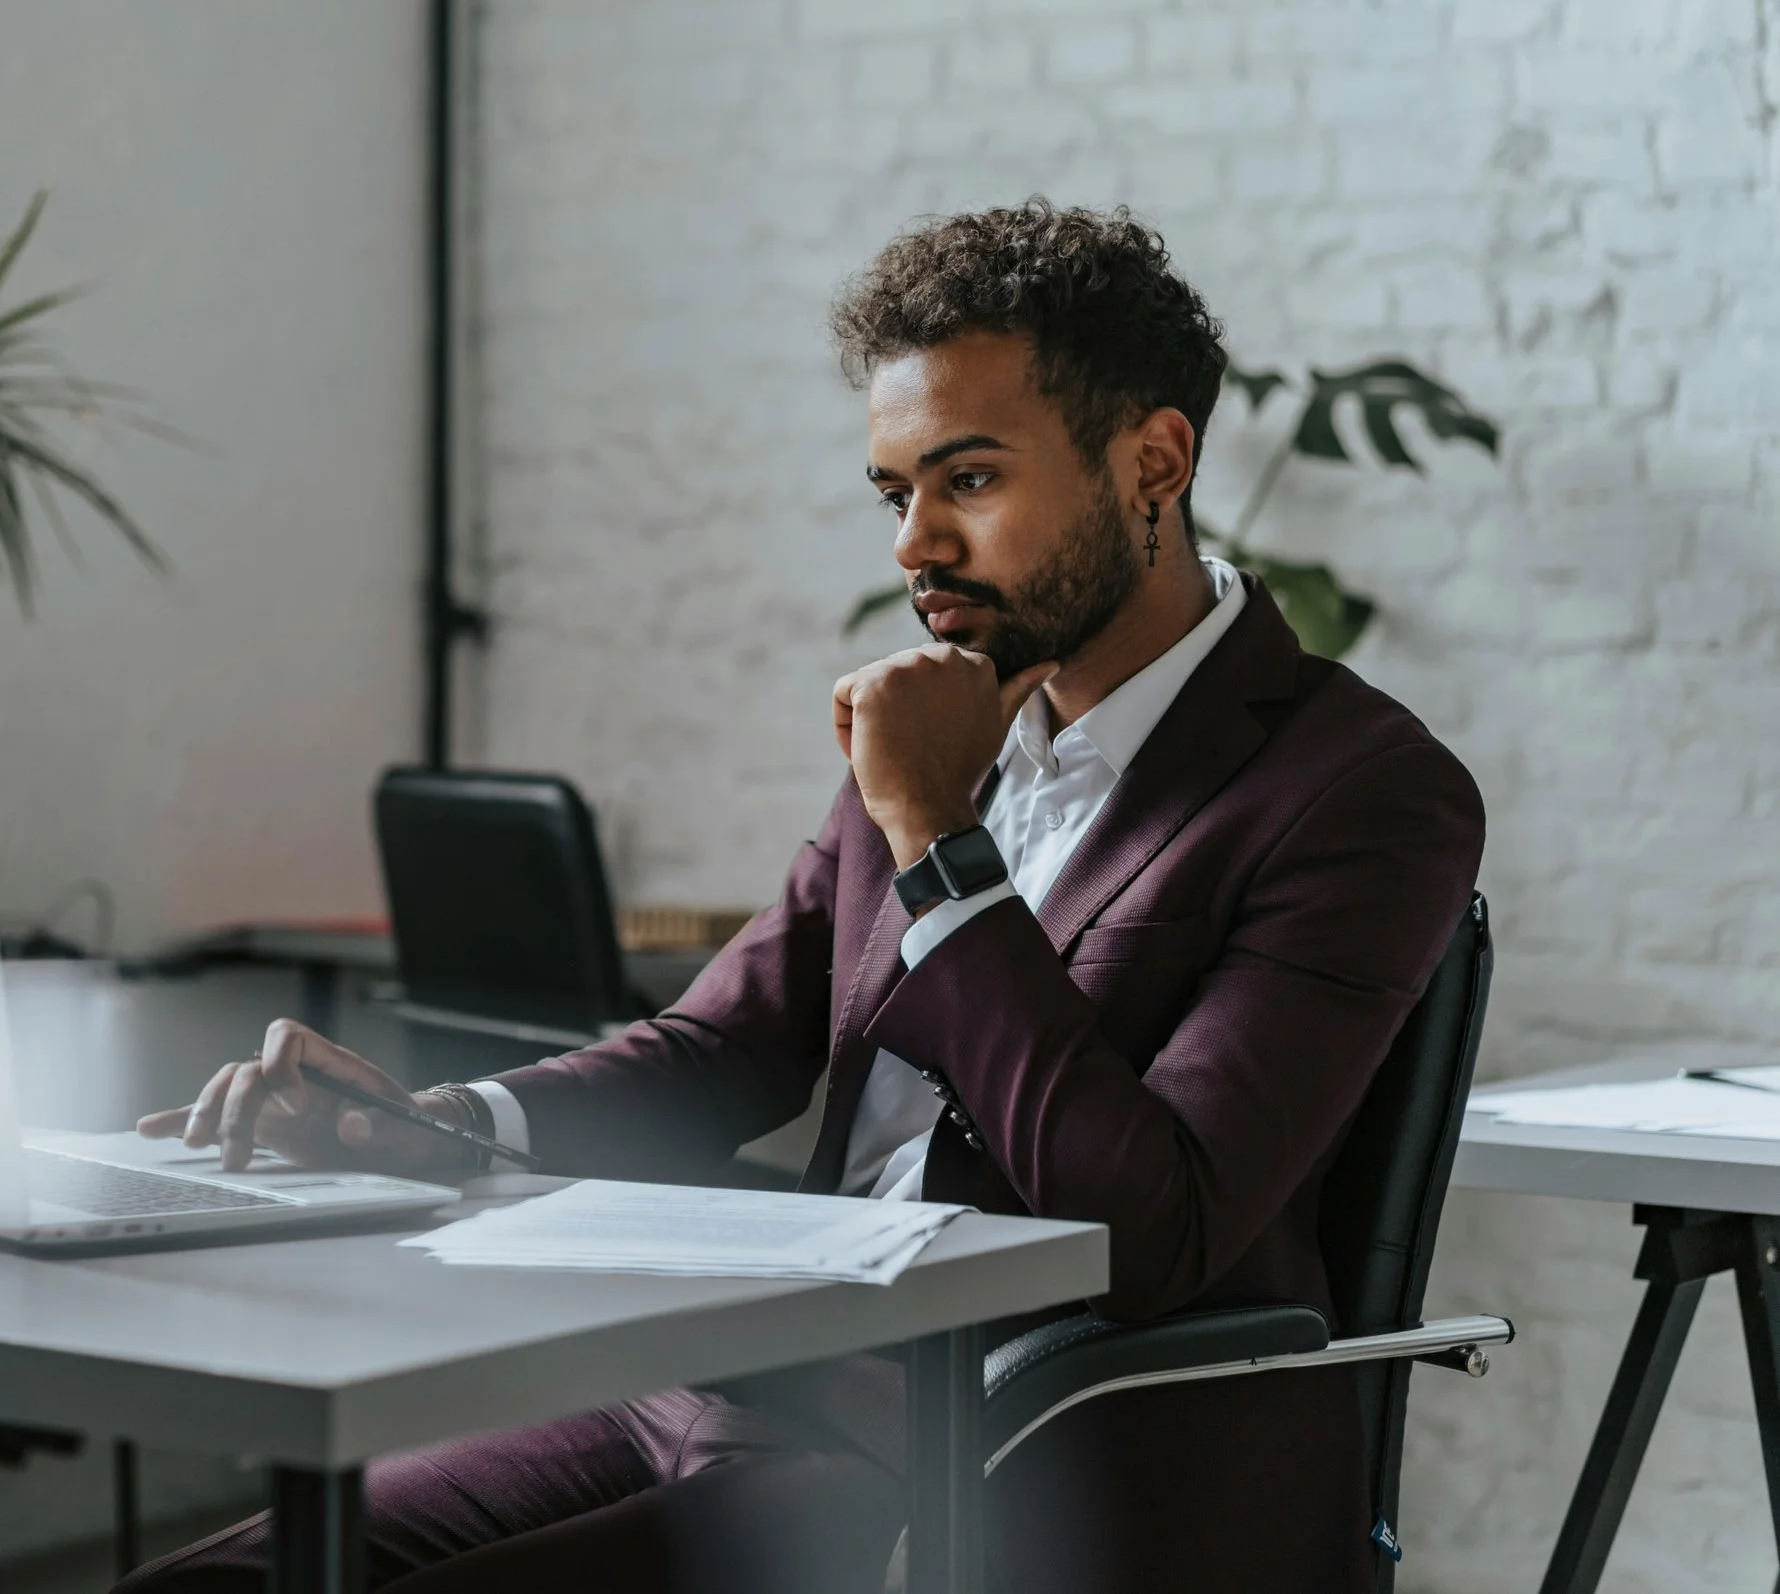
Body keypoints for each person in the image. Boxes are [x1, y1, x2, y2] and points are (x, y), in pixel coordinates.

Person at [116, 201, 1484, 1594]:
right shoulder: (948, 720)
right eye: (897, 493)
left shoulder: (1358, 792)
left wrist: (937, 835)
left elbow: (1156, 1227)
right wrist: (438, 1125)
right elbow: (722, 1046)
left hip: (997, 1458)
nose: (914, 546)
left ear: (1153, 460)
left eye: (968, 480)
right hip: (730, 1383)